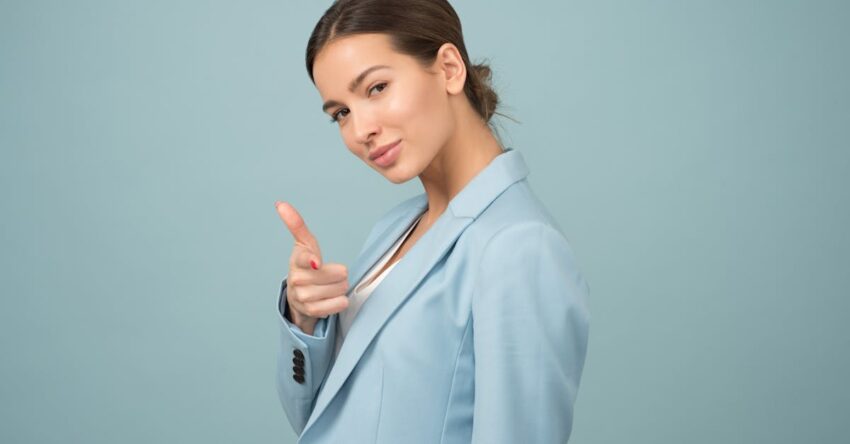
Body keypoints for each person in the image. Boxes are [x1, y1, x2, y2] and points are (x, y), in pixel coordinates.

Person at [273, 1, 590, 442]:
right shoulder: (394, 226)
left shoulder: (519, 246)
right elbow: (320, 421)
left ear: (449, 68)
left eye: (377, 87)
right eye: (340, 113)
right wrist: (305, 320)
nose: (360, 128)